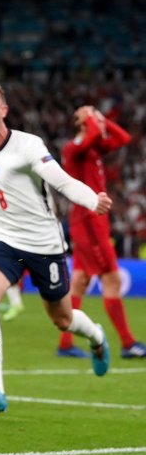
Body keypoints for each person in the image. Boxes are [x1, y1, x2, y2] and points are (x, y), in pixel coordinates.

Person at [0, 80, 112, 414]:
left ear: (3, 110)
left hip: (45, 244)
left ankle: (96, 336)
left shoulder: (28, 145)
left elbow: (60, 180)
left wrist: (93, 200)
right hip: (3, 240)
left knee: (62, 319)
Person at [56, 105, 146, 359]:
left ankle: (65, 344)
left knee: (80, 282)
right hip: (88, 221)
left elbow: (123, 139)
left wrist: (100, 117)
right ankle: (128, 343)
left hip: (92, 221)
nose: (99, 120)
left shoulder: (91, 148)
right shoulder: (74, 149)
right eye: (94, 116)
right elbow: (95, 134)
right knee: (112, 279)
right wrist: (91, 117)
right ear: (82, 122)